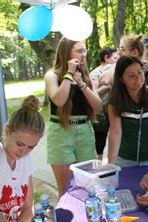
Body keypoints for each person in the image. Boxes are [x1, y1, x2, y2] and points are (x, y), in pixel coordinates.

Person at [44, 37, 102, 195]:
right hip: (61, 132)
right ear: (66, 52)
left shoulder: (85, 75)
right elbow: (59, 100)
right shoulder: (52, 75)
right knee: (66, 189)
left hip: (84, 131)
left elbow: (98, 107)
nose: (84, 54)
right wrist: (69, 74)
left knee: (89, 186)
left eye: (85, 50)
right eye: (79, 51)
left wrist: (82, 84)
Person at [108, 55, 148, 167]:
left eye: (140, 72)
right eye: (131, 76)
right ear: (121, 79)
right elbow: (115, 132)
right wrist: (110, 163)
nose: (138, 78)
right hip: (124, 159)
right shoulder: (115, 100)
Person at [90, 47, 118, 159]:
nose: (118, 60)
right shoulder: (95, 74)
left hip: (113, 111)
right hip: (100, 114)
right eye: (115, 58)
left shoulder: (116, 70)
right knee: (100, 143)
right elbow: (93, 93)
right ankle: (98, 166)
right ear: (106, 58)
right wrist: (107, 87)